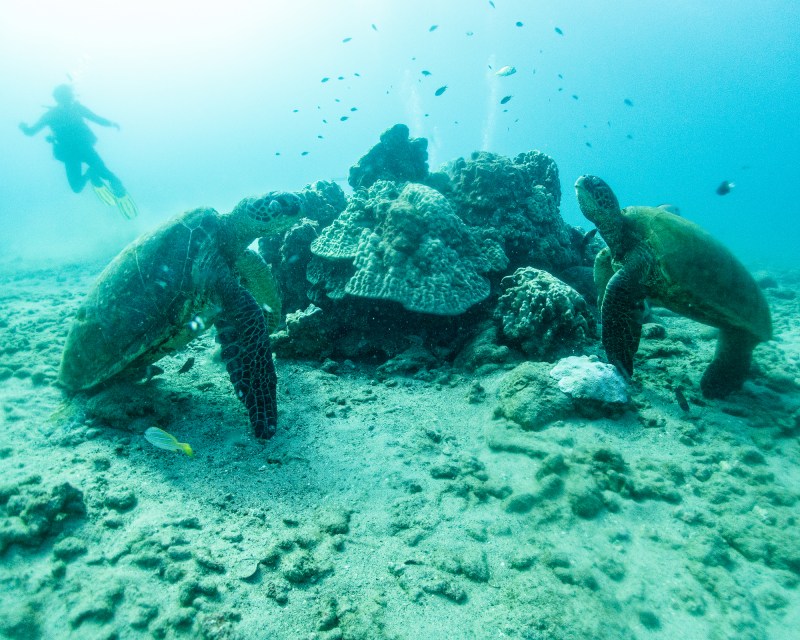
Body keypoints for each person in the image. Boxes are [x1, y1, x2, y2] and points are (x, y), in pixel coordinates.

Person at [19, 84, 128, 198]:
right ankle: (92, 173)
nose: (70, 98)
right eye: (68, 96)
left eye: (69, 96)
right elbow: (97, 119)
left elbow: (31, 132)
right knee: (79, 185)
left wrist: (23, 127)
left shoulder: (62, 111)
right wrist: (111, 124)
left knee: (102, 173)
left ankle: (113, 182)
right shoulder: (57, 113)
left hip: (78, 149)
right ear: (63, 97)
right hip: (72, 151)